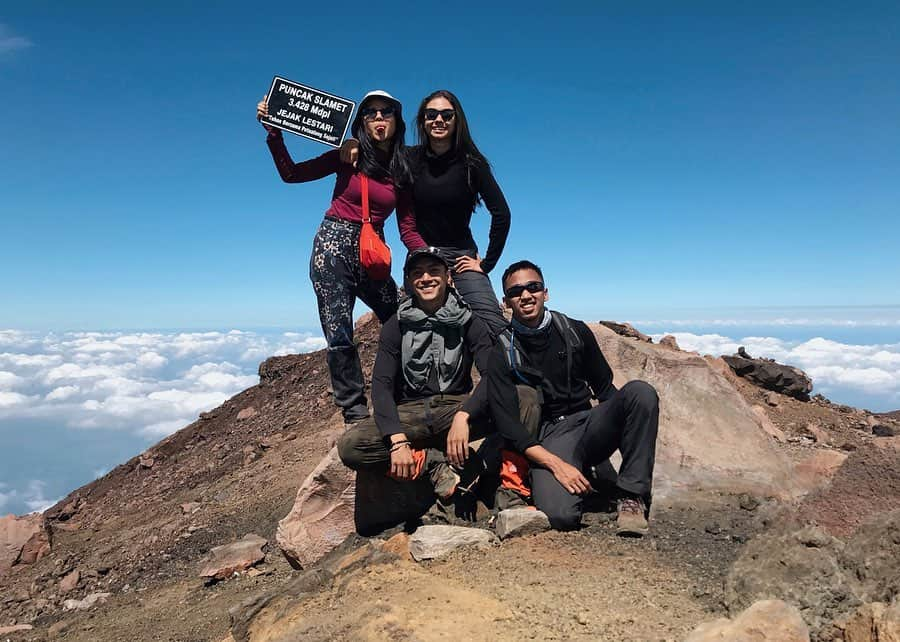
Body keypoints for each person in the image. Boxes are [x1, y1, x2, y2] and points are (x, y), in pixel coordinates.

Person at [256, 90, 425, 423]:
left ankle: (404, 391)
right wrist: (274, 133)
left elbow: (407, 227)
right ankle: (355, 412)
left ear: (396, 121)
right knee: (338, 331)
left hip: (371, 250)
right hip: (332, 246)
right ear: (362, 121)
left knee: (400, 316)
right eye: (371, 113)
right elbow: (291, 174)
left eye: (386, 112)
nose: (379, 118)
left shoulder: (402, 169)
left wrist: (427, 258)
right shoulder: (346, 155)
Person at [486, 260, 660, 536]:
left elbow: (605, 389)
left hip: (588, 422)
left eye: (533, 287)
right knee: (560, 516)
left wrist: (611, 460)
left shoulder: (574, 331)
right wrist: (557, 466)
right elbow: (511, 428)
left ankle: (632, 497)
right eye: (517, 291)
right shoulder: (501, 350)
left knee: (640, 392)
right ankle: (560, 477)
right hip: (549, 437)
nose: (526, 295)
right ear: (506, 301)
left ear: (546, 293)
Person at [341, 90, 511, 338]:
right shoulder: (409, 158)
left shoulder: (473, 164)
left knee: (491, 326)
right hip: (422, 255)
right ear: (422, 121)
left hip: (461, 257)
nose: (438, 120)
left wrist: (486, 264)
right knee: (416, 332)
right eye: (431, 114)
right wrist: (353, 142)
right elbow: (375, 149)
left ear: (457, 120)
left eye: (446, 114)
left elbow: (501, 214)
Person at [337, 247, 495, 501]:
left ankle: (500, 472)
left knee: (523, 400)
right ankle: (433, 462)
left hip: (454, 408)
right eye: (417, 273)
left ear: (448, 277)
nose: (426, 278)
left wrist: (464, 416)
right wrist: (397, 440)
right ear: (410, 281)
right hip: (411, 413)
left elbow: (492, 375)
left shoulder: (469, 321)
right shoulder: (396, 324)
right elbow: (381, 385)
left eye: (434, 271)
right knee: (350, 447)